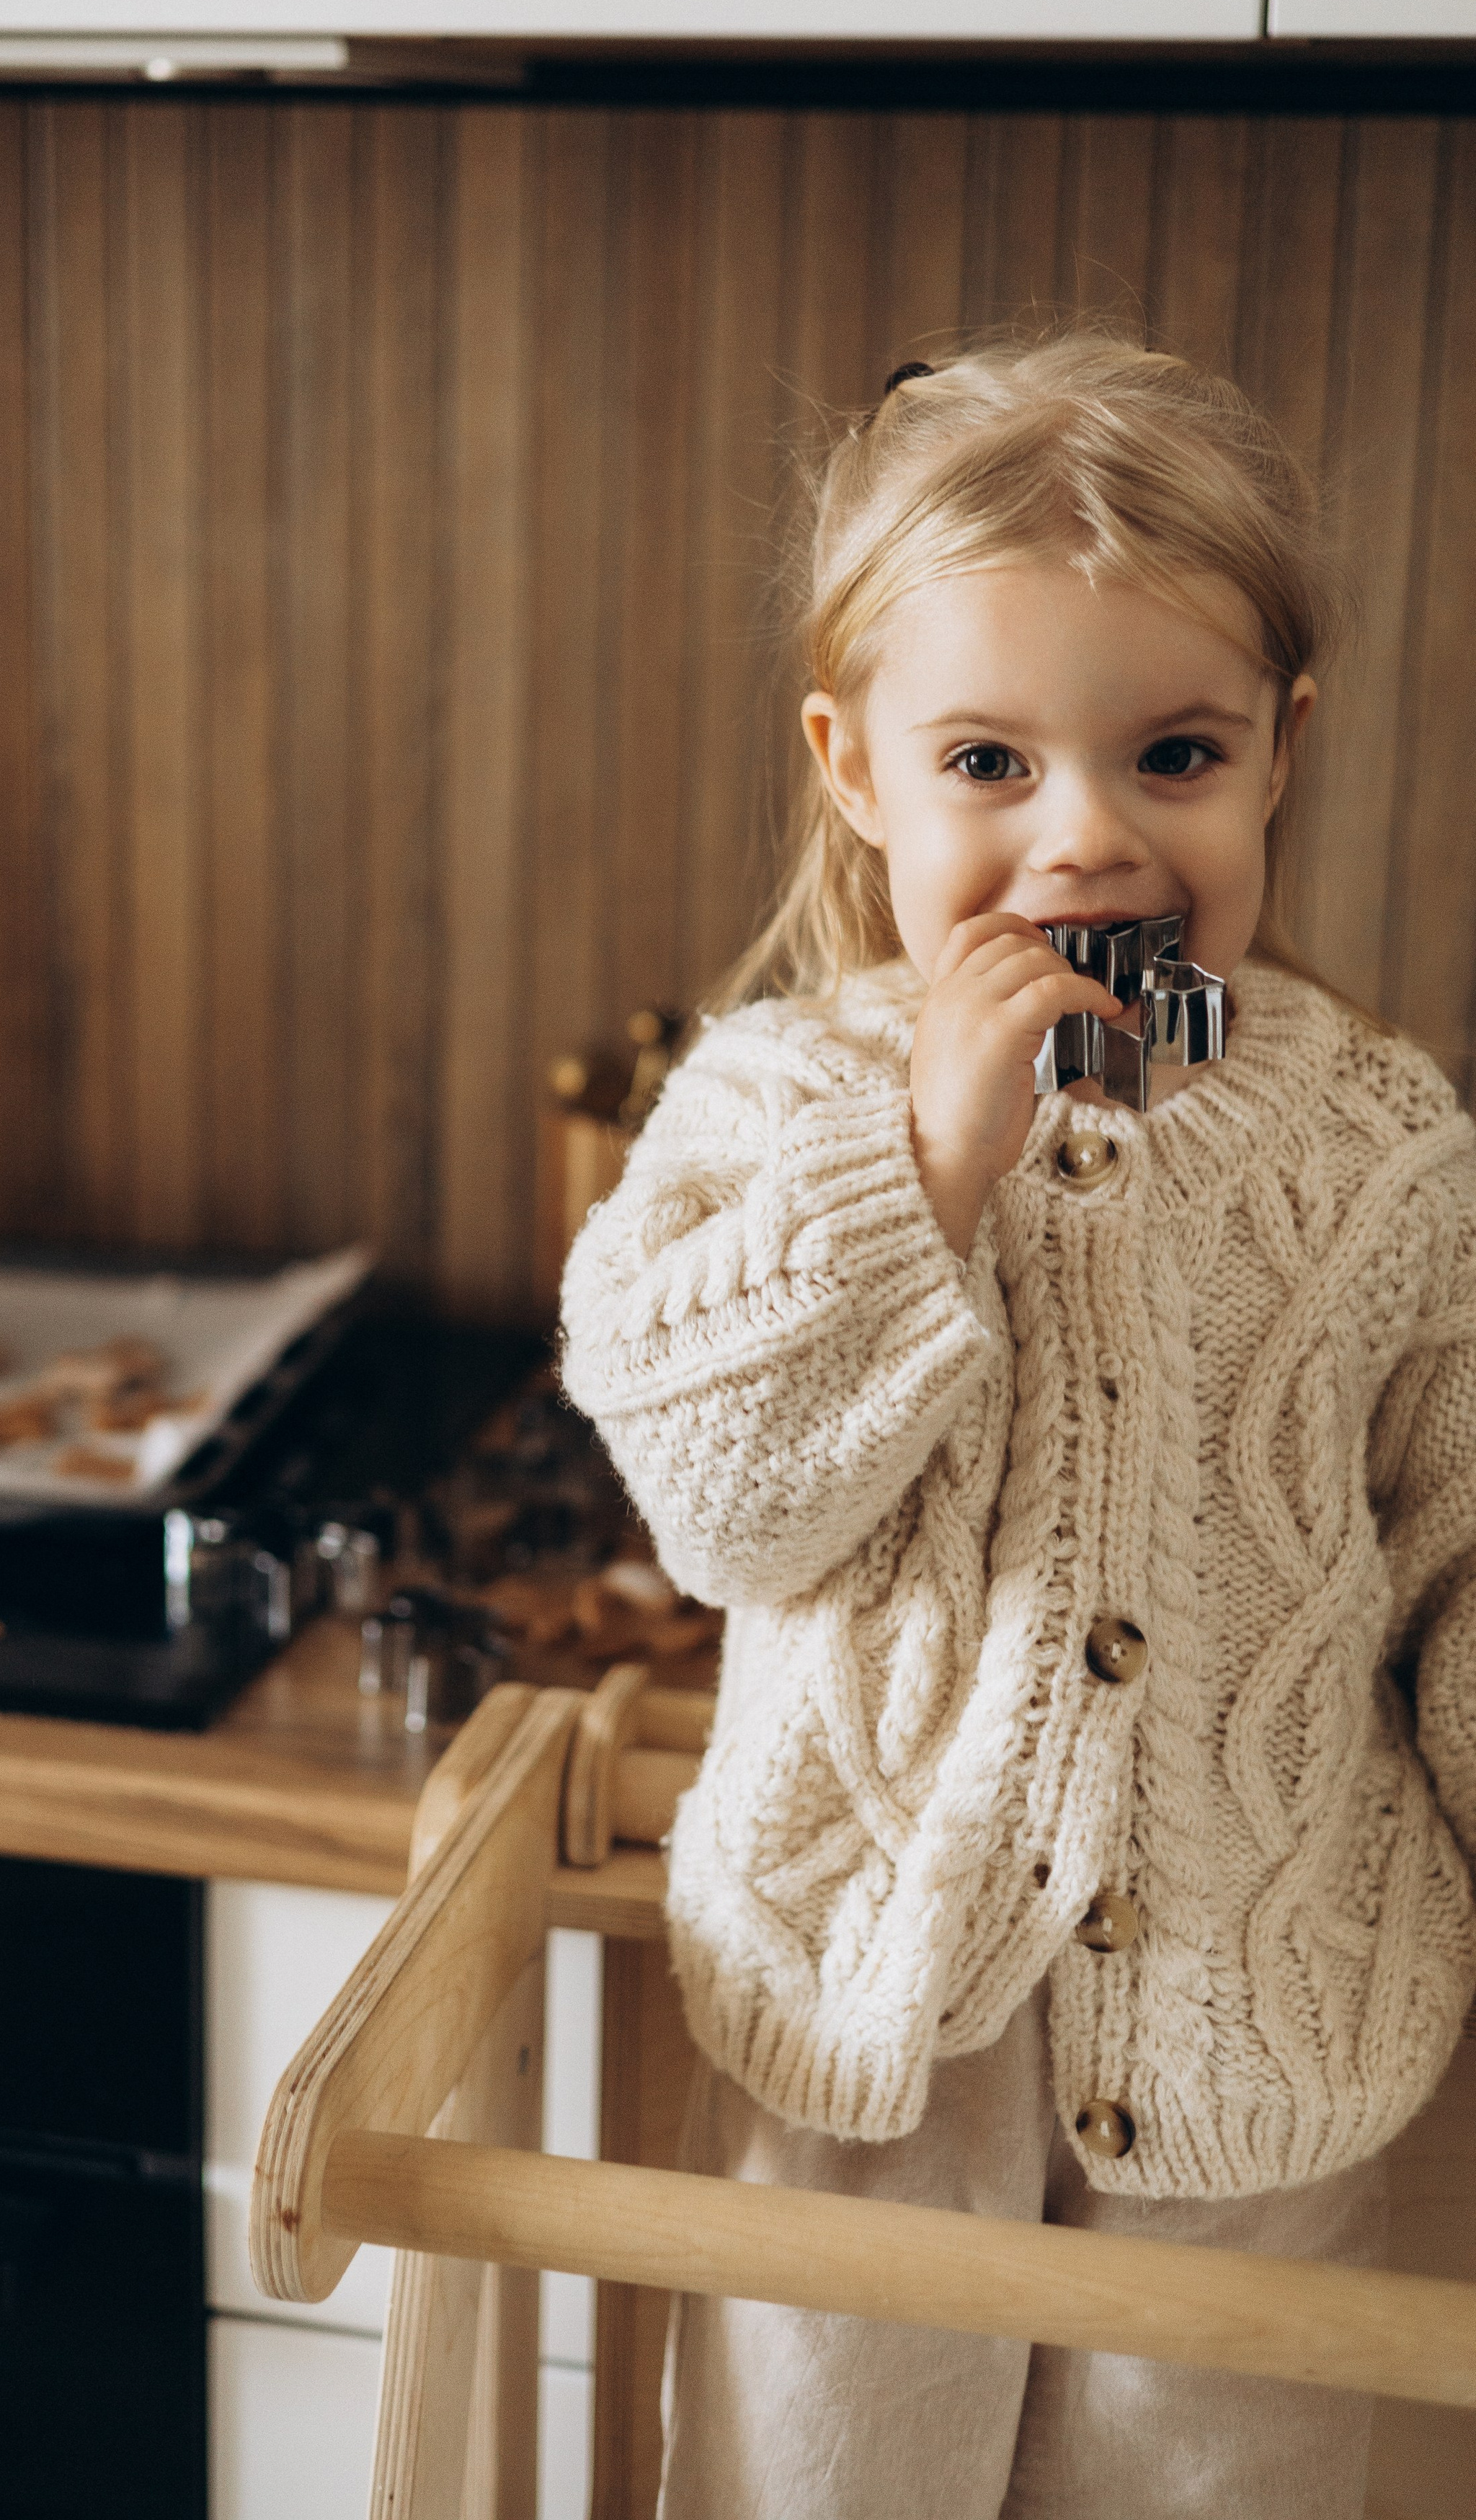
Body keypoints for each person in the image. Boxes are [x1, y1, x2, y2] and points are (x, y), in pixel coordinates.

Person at [559, 329, 1476, 2519]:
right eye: (988, 760)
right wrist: (923, 1178)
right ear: (856, 770)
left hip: (1267, 2044)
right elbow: (713, 1498)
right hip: (874, 2055)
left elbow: (1456, 1565)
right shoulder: (774, 1100)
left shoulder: (1382, 1148)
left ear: (1279, 760)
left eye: (1174, 754)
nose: (1088, 837)